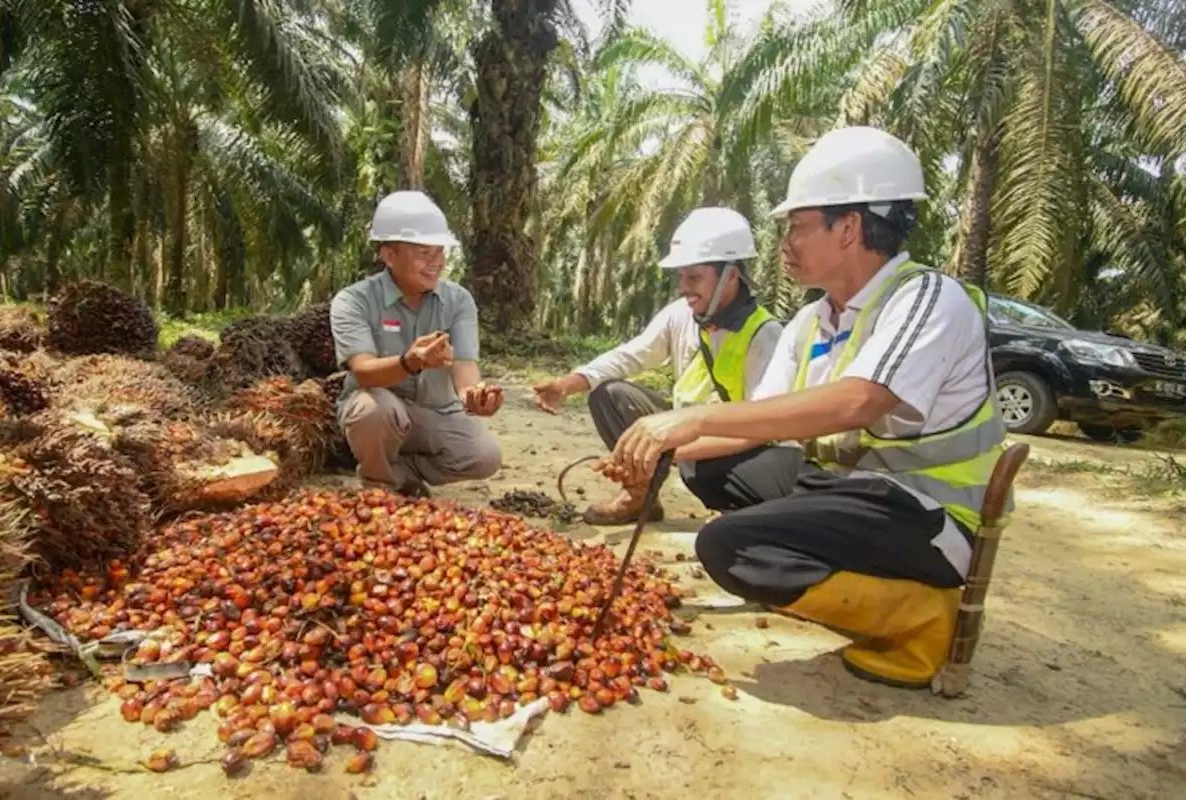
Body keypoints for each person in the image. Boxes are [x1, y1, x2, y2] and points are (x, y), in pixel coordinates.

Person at [608, 126, 1010, 689]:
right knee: (704, 464)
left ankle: (923, 616)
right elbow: (760, 422)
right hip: (849, 490)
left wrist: (694, 417)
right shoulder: (813, 319)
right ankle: (863, 582)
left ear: (848, 227)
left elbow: (860, 401)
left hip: (930, 517)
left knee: (730, 546)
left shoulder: (927, 298)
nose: (785, 245)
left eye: (797, 226)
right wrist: (664, 451)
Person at [531, 207, 784, 525]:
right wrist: (569, 383)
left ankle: (742, 514)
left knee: (724, 482)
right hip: (681, 432)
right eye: (681, 276)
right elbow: (632, 354)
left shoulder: (765, 335)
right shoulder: (681, 314)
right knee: (610, 394)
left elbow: (758, 432)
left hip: (731, 446)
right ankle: (640, 499)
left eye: (694, 277)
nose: (683, 287)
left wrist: (663, 451)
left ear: (730, 276)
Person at [329, 190, 504, 497]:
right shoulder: (353, 301)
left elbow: (465, 365)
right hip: (378, 411)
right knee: (374, 409)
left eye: (440, 252)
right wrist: (410, 362)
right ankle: (380, 484)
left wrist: (474, 396)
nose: (436, 263)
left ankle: (401, 471)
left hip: (434, 412)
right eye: (424, 253)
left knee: (485, 456)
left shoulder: (458, 301)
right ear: (389, 255)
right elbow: (365, 372)